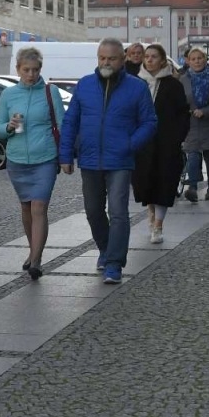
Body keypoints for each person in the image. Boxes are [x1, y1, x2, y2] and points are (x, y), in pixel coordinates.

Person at [58, 38, 158, 285]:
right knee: (93, 211)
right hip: (90, 159)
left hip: (120, 160)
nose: (106, 62)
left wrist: (129, 144)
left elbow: (150, 122)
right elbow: (70, 122)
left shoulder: (137, 87)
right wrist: (66, 154)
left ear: (122, 59)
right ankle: (105, 249)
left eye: (111, 58)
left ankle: (114, 263)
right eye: (102, 57)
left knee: (118, 212)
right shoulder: (85, 85)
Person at [0, 47, 65, 278]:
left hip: (45, 158)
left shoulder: (50, 92)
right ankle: (33, 249)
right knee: (26, 208)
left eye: (35, 70)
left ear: (40, 69)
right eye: (26, 70)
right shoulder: (8, 95)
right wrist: (8, 127)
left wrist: (65, 157)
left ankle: (36, 260)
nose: (31, 74)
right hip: (17, 160)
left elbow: (62, 126)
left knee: (39, 207)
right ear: (18, 70)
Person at [132, 44, 187, 245]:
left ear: (163, 60)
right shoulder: (136, 83)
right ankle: (151, 214)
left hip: (166, 142)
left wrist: (179, 137)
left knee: (164, 184)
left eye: (154, 56)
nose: (149, 60)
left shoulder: (173, 85)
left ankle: (158, 225)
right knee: (146, 183)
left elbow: (182, 114)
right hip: (142, 143)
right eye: (147, 56)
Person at [180, 47, 209, 202]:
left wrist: (205, 111)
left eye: (199, 58)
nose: (197, 61)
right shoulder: (184, 79)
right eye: (193, 59)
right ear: (188, 61)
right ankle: (192, 187)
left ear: (205, 59)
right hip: (192, 124)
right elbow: (180, 99)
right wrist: (190, 110)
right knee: (192, 156)